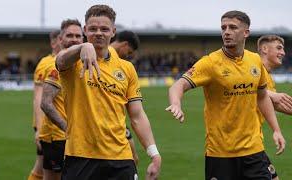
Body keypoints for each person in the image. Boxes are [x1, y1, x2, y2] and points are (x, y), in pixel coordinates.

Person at [166, 10, 285, 180]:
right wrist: (176, 103)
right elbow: (179, 85)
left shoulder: (255, 60)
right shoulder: (210, 62)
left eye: (233, 27)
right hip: (220, 153)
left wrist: (276, 130)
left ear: (246, 33)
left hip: (254, 150)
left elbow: (262, 96)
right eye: (223, 27)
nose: (226, 32)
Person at [56, 4, 161, 180]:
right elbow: (60, 60)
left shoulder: (126, 68)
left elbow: (137, 115)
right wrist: (82, 47)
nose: (99, 33)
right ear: (84, 30)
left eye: (104, 29)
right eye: (93, 29)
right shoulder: (73, 62)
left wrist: (154, 153)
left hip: (120, 158)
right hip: (81, 156)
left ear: (113, 31)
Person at [38, 19, 84, 180]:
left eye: (78, 36)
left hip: (75, 136)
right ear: (60, 39)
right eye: (69, 35)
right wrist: (68, 128)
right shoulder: (57, 66)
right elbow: (45, 103)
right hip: (57, 136)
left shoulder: (82, 63)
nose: (74, 39)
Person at [257, 35, 292, 180]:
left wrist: (270, 94)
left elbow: (280, 104)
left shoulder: (267, 78)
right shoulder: (250, 68)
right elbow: (242, 85)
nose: (283, 52)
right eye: (279, 48)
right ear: (264, 49)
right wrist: (269, 93)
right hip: (236, 144)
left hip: (253, 144)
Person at [27, 30, 60, 180]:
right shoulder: (46, 63)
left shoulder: (69, 60)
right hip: (47, 126)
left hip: (58, 124)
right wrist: (39, 129)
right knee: (44, 167)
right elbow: (38, 98)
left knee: (41, 166)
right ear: (54, 42)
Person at [110, 30, 141, 165]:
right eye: (128, 53)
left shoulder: (126, 67)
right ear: (124, 44)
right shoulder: (92, 57)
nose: (127, 57)